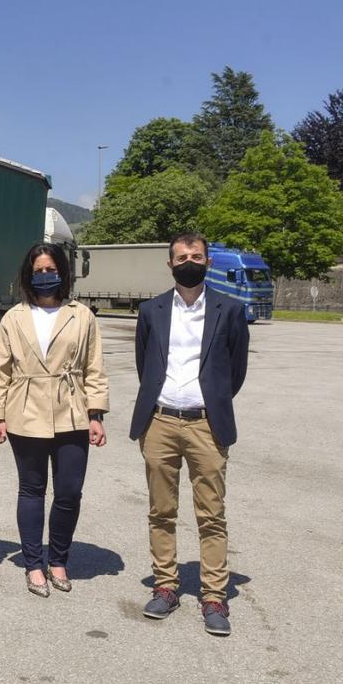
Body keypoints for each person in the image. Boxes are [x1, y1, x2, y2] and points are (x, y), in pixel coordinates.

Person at [130, 232, 249, 636]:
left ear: (208, 262)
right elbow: (145, 365)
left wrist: (210, 401)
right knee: (161, 511)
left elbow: (235, 372)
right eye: (181, 256)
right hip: (160, 422)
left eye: (196, 256)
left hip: (206, 424)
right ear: (170, 264)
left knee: (211, 514)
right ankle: (165, 586)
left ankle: (214, 595)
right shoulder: (151, 310)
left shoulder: (230, 310)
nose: (189, 261)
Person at [0, 242, 108, 597]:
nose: (45, 276)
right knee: (32, 489)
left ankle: (58, 559)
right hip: (24, 411)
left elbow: (94, 368)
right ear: (28, 275)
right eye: (38, 271)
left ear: (63, 273)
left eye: (50, 269)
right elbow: (1, 370)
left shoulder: (82, 315)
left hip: (72, 411)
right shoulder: (13, 317)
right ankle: (33, 564)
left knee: (69, 491)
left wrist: (96, 414)